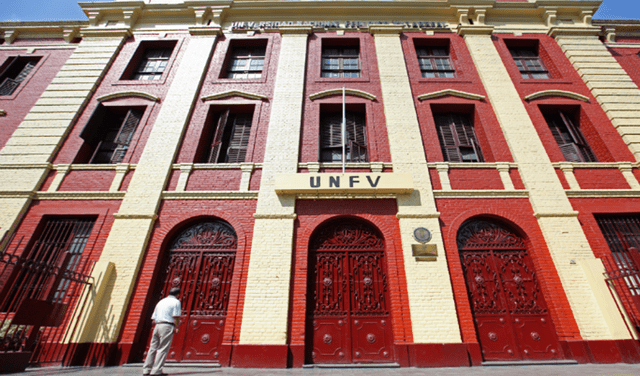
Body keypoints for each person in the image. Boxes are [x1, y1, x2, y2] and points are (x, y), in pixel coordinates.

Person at [143, 287, 182, 376]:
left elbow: (153, 317)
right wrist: (177, 327)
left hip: (157, 325)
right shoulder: (176, 302)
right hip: (167, 326)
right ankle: (156, 371)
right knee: (163, 348)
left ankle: (146, 370)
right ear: (178, 294)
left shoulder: (161, 302)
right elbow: (176, 316)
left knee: (152, 348)